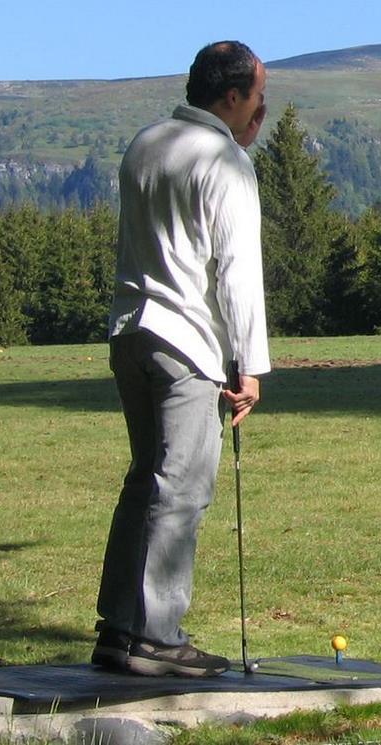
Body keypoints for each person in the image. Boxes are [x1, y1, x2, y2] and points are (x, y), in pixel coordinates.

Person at [93, 41, 271, 676]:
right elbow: (237, 271)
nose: (262, 110)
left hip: (129, 332)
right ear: (230, 96)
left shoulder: (147, 142)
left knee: (144, 479)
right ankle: (158, 637)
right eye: (257, 97)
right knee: (184, 488)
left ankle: (117, 629)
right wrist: (249, 364)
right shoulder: (224, 161)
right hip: (187, 340)